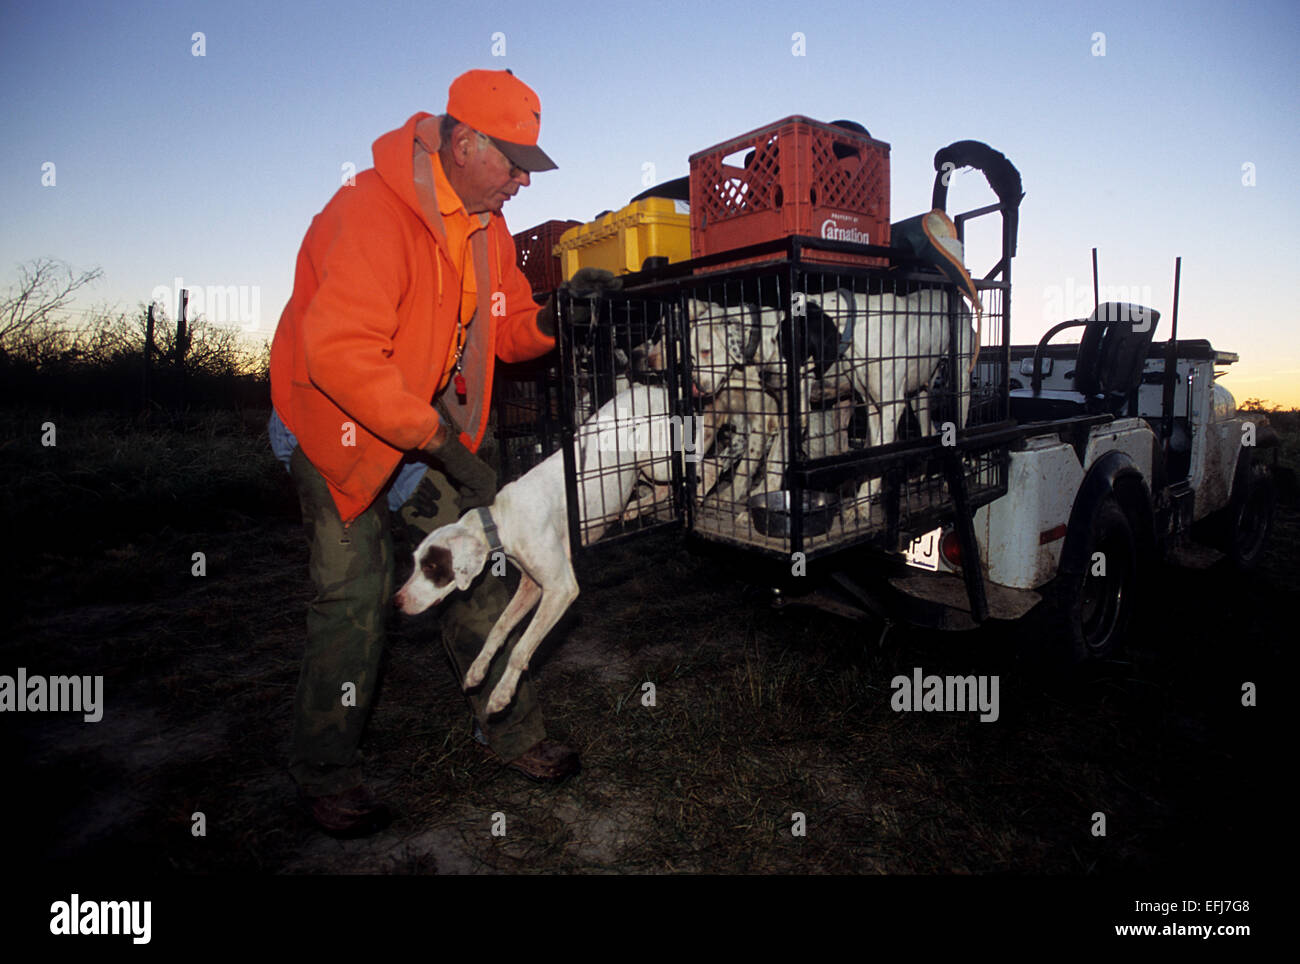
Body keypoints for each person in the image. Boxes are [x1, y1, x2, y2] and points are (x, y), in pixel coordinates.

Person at [268, 69, 586, 838]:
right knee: (355, 598)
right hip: (334, 426)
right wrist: (443, 442)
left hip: (414, 428)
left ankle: (506, 730)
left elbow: (507, 329)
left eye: (528, 167)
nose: (520, 181)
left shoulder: (488, 228)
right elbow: (338, 358)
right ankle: (323, 771)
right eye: (513, 163)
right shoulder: (370, 214)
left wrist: (562, 316)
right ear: (466, 141)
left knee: (483, 558)